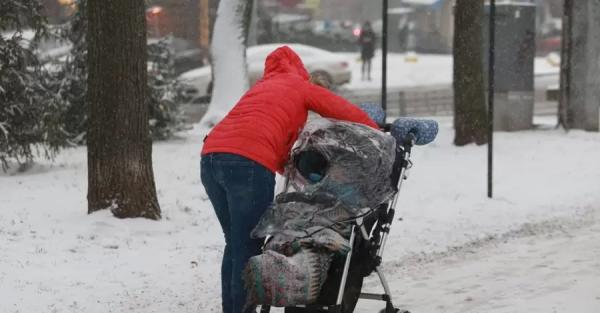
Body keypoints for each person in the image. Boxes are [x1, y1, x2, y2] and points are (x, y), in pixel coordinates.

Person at [200, 46, 378, 313]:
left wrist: (294, 176)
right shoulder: (299, 86)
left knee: (235, 243)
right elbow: (339, 108)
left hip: (210, 158)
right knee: (247, 245)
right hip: (247, 164)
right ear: (300, 69)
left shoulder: (261, 89)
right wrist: (376, 131)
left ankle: (232, 308)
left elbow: (265, 138)